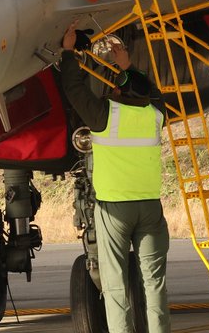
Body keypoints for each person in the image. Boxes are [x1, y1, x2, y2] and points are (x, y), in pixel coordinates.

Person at [59, 23, 170, 333]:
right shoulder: (156, 116)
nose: (113, 87)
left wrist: (70, 52)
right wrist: (129, 67)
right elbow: (152, 94)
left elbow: (74, 89)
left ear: (120, 92)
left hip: (114, 210)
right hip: (149, 208)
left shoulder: (105, 116)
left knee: (115, 283)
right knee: (154, 281)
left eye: (118, 84)